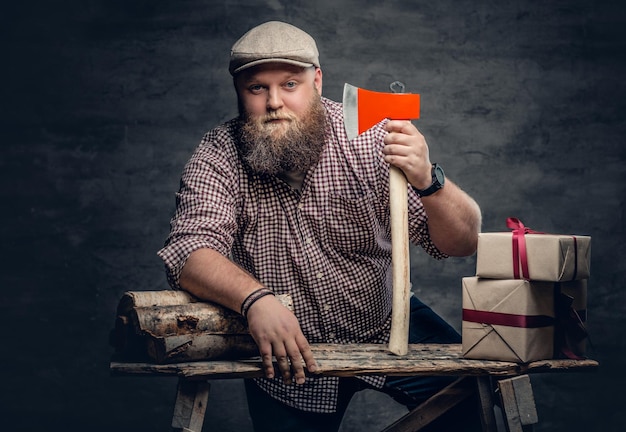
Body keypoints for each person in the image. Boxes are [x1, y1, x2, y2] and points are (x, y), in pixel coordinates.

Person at [158, 20, 482, 432]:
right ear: (239, 91)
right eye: (257, 88)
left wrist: (428, 180)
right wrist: (255, 299)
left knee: (477, 406)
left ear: (317, 81)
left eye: (290, 84)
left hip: (385, 319)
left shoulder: (370, 138)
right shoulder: (219, 153)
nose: (274, 102)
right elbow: (189, 249)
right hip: (287, 352)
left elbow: (463, 243)